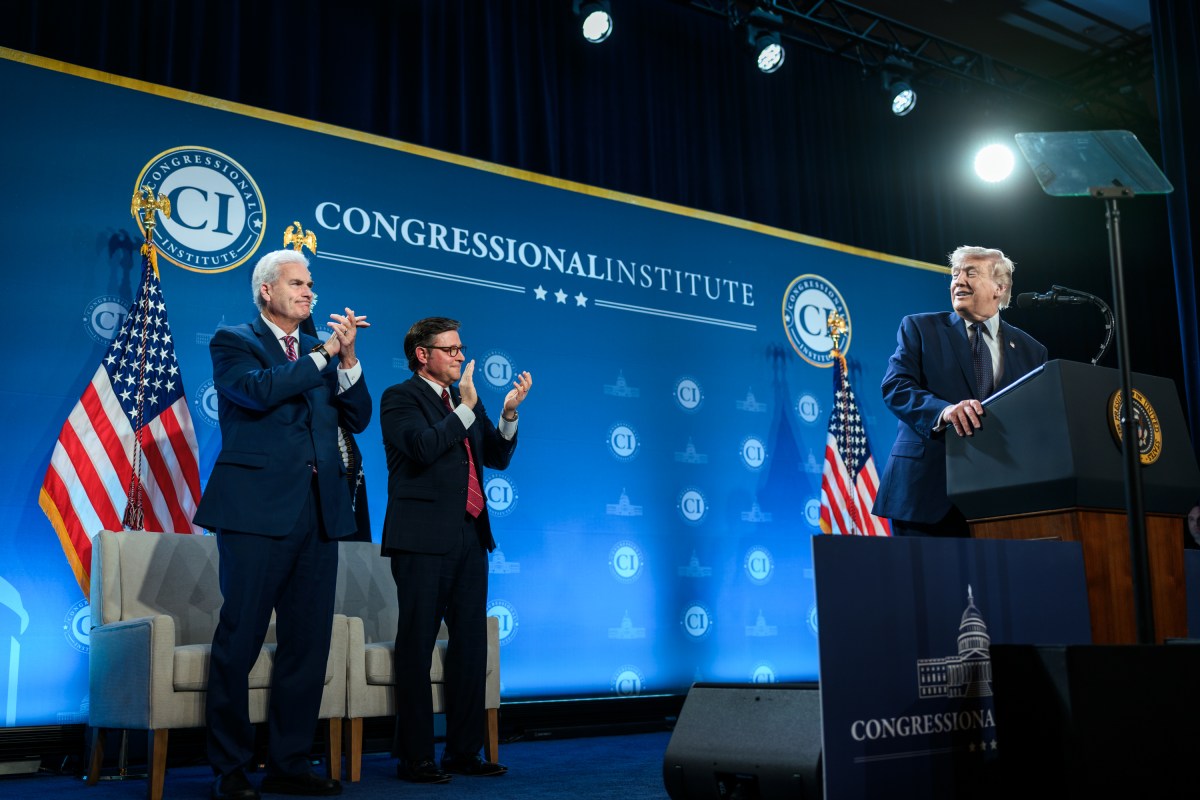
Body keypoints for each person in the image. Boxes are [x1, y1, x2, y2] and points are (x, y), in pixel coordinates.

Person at [194, 249, 371, 800]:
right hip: (254, 514)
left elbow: (358, 417)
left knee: (307, 644)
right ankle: (229, 769)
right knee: (239, 639)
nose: (308, 292)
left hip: (319, 514)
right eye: (297, 284)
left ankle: (291, 762)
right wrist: (322, 355)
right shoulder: (235, 341)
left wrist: (347, 361)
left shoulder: (324, 355)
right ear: (266, 291)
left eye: (311, 284)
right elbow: (259, 391)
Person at [380, 317, 532, 784]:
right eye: (450, 349)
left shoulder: (465, 402)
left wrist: (506, 414)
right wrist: (465, 410)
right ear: (422, 355)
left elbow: (496, 457)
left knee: (470, 647)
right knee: (417, 646)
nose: (461, 356)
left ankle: (464, 752)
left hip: (470, 537)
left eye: (461, 348)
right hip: (422, 539)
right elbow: (423, 448)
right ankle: (416, 757)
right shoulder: (399, 397)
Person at [873, 246, 1048, 537]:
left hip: (1002, 501)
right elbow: (896, 386)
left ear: (999, 287)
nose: (958, 281)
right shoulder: (920, 328)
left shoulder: (1032, 351)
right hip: (925, 495)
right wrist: (944, 411)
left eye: (970, 273)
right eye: (955, 274)